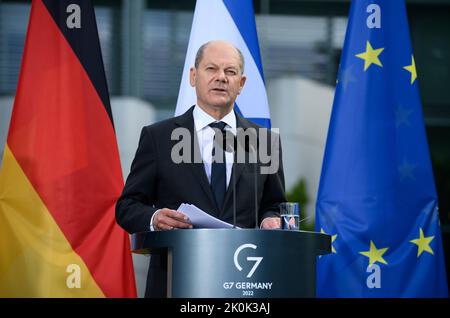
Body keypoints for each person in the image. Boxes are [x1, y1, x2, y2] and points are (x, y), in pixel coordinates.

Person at [115, 40, 286, 297]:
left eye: (230, 71)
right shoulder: (158, 137)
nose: (220, 78)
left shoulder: (264, 140)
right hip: (175, 280)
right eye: (211, 69)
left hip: (244, 283)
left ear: (241, 84)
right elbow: (127, 206)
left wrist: (270, 220)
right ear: (193, 76)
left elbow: (273, 204)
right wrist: (154, 218)